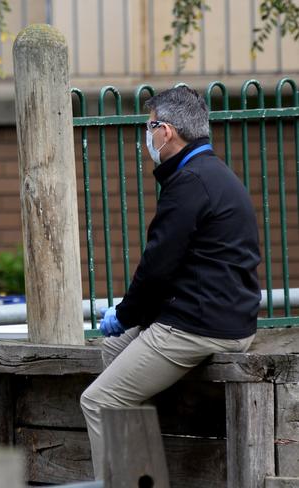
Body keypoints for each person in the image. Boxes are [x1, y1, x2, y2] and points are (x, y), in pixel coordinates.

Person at [79, 86, 261, 479]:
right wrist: (128, 321)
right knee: (114, 348)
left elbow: (157, 268)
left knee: (98, 401)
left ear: (167, 131)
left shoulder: (190, 184)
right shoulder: (208, 173)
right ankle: (140, 474)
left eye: (150, 127)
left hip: (200, 325)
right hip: (216, 315)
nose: (147, 136)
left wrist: (125, 313)